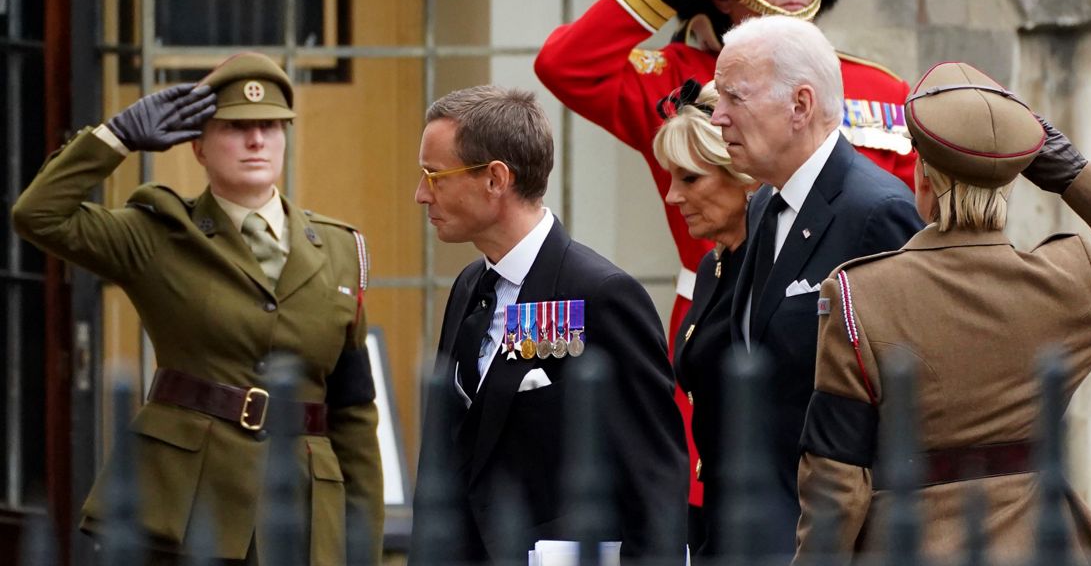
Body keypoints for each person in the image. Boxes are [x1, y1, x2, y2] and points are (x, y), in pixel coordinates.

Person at [533, 0, 912, 515]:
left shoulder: (879, 91)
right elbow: (567, 65)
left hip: (845, 349)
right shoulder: (673, 74)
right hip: (719, 330)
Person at [794, 62, 1091, 562]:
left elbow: (836, 482)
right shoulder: (1070, 285)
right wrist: (1071, 173)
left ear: (921, 175)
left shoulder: (857, 296)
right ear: (1013, 183)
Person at [10, 53, 384, 565]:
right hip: (187, 507)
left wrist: (363, 547)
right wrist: (115, 138)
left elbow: (353, 411)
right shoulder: (157, 233)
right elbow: (38, 215)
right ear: (198, 146)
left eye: (271, 126)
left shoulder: (342, 249)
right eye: (235, 126)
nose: (256, 140)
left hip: (302, 511)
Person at [410, 85, 687, 562]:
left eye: (435, 176)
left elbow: (654, 475)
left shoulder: (600, 294)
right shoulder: (470, 286)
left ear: (495, 178)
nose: (420, 195)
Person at [708, 16, 922, 554]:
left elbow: (906, 399)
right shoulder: (763, 203)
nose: (717, 116)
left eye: (734, 97)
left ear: (800, 106)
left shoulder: (877, 211)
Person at [652, 78, 757, 556]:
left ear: (743, 175)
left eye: (690, 178)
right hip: (711, 510)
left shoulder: (776, 268)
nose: (672, 197)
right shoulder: (712, 265)